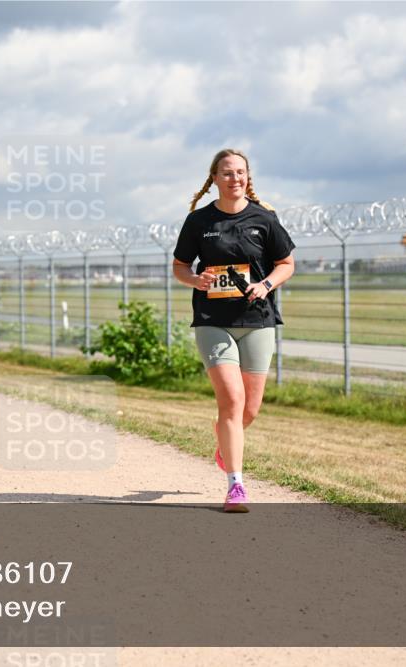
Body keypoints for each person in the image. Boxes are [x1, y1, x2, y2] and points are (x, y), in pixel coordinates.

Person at [172, 148, 296, 513]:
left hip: (257, 320)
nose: (235, 178)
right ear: (214, 178)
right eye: (227, 173)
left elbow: (286, 264)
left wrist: (267, 285)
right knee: (231, 401)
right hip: (213, 321)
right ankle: (235, 486)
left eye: (240, 172)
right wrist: (196, 279)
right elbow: (179, 266)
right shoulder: (198, 221)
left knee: (250, 409)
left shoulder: (264, 218)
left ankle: (226, 442)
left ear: (248, 177)